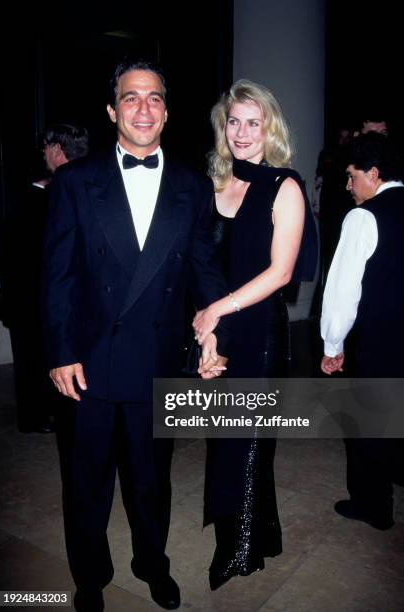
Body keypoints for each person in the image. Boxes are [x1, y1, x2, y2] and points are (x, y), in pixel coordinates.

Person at [42, 59, 229, 612]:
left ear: (167, 113)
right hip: (89, 363)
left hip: (158, 357)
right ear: (111, 111)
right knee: (87, 485)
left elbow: (204, 268)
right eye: (130, 98)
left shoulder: (193, 187)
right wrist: (60, 350)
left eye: (153, 99)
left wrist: (215, 327)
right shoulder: (76, 181)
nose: (142, 108)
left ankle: (152, 563)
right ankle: (90, 577)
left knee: (152, 482)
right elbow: (56, 275)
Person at [192, 80, 317, 590]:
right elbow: (201, 266)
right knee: (223, 437)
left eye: (253, 122)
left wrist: (216, 312)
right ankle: (260, 533)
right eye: (234, 121)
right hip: (216, 329)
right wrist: (207, 334)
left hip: (259, 332)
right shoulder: (214, 183)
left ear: (270, 129)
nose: (242, 132)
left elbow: (281, 272)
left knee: (245, 443)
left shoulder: (283, 184)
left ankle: (238, 549)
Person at [321, 132, 404, 530]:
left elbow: (342, 291)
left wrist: (332, 343)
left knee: (369, 425)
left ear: (373, 174)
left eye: (353, 176)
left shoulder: (364, 216)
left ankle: (375, 506)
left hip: (380, 342)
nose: (348, 185)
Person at [0, 123, 89, 433]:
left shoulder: (56, 193)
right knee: (32, 361)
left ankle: (42, 414)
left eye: (46, 148)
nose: (44, 154)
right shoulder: (43, 194)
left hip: (40, 298)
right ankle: (34, 418)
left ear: (57, 150)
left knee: (39, 360)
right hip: (30, 300)